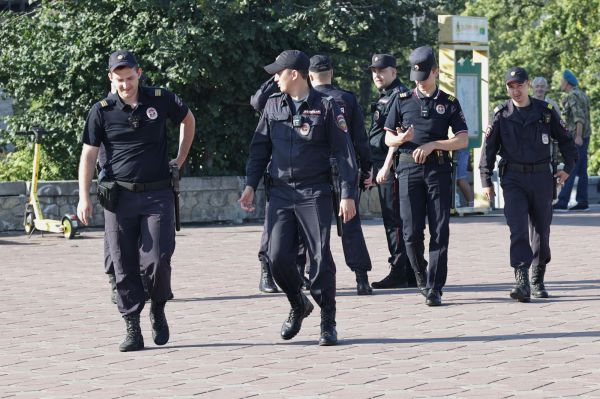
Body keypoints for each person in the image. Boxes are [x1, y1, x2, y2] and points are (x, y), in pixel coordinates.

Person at [77, 50, 196, 351]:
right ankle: (132, 326)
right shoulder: (101, 110)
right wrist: (83, 196)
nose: (125, 85)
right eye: (119, 80)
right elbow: (89, 154)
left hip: (157, 193)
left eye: (130, 78)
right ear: (110, 78)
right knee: (123, 262)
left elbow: (188, 119)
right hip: (119, 197)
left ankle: (157, 307)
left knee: (157, 258)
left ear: (139, 73)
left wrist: (179, 160)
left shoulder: (159, 98)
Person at [239, 50, 357, 346]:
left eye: (279, 72)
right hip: (279, 192)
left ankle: (327, 320)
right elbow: (259, 149)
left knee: (319, 258)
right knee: (277, 258)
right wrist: (250, 185)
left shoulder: (327, 107)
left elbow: (345, 153)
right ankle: (298, 304)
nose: (274, 78)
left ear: (294, 74)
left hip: (313, 191)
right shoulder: (273, 106)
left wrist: (347, 194)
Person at [480, 66, 577, 302]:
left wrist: (568, 169)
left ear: (529, 85)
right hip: (513, 179)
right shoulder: (502, 114)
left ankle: (538, 277)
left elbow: (566, 141)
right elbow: (489, 149)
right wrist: (485, 180)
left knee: (541, 232)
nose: (516, 90)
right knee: (518, 230)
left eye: (520, 85)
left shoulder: (545, 111)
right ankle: (521, 280)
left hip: (542, 178)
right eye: (511, 87)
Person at [384, 46, 469, 307]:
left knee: (440, 230)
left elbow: (463, 139)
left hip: (438, 170)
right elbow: (387, 137)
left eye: (424, 76)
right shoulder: (401, 100)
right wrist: (401, 138)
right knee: (410, 233)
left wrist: (434, 145)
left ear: (435, 72)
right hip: (408, 169)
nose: (420, 81)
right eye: (416, 77)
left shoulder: (449, 102)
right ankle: (420, 276)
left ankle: (435, 286)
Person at [307, 54, 374, 295]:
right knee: (351, 223)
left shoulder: (306, 100)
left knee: (312, 225)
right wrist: (366, 168)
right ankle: (361, 277)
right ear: (331, 73)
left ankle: (309, 275)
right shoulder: (347, 99)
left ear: (309, 75)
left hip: (315, 172)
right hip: (345, 170)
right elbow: (359, 138)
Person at [366, 53, 415, 290]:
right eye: (374, 71)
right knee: (397, 219)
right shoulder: (386, 96)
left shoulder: (398, 96)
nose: (377, 75)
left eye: (382, 71)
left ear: (394, 72)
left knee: (395, 220)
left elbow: (397, 136)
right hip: (381, 165)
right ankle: (414, 267)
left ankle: (400, 270)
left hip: (393, 166)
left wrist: (386, 165)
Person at [553, 70, 592, 212]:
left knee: (571, 167)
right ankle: (583, 201)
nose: (561, 83)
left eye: (562, 81)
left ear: (567, 83)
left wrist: (578, 136)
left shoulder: (573, 96)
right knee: (582, 170)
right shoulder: (582, 94)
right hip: (585, 136)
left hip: (578, 137)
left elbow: (578, 118)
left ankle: (563, 202)